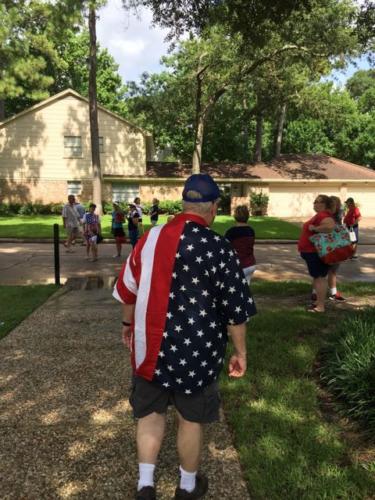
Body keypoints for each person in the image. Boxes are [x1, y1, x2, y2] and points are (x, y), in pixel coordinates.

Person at [113, 173, 257, 500]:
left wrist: (127, 326)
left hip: (150, 347)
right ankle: (187, 488)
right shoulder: (220, 247)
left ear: (184, 204)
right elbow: (236, 311)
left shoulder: (148, 239)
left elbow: (127, 291)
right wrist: (240, 352)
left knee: (150, 415)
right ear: (214, 207)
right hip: (198, 352)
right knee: (190, 420)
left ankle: (145, 486)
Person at [298, 195, 335, 313]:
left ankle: (320, 307)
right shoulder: (320, 215)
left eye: (320, 202)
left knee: (320, 278)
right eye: (315, 202)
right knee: (318, 278)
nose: (316, 204)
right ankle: (318, 302)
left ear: (326, 204)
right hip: (312, 252)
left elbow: (330, 226)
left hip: (314, 253)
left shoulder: (322, 215)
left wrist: (315, 228)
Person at [310, 196, 346, 303]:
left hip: (335, 246)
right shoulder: (321, 216)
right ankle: (315, 293)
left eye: (335, 204)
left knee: (333, 270)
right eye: (332, 204)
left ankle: (333, 292)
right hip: (324, 246)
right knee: (320, 272)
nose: (333, 206)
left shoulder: (338, 216)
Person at [224, 205, 256, 284]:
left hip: (238, 266)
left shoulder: (231, 232)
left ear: (235, 216)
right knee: (246, 290)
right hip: (251, 264)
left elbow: (225, 248)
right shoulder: (251, 230)